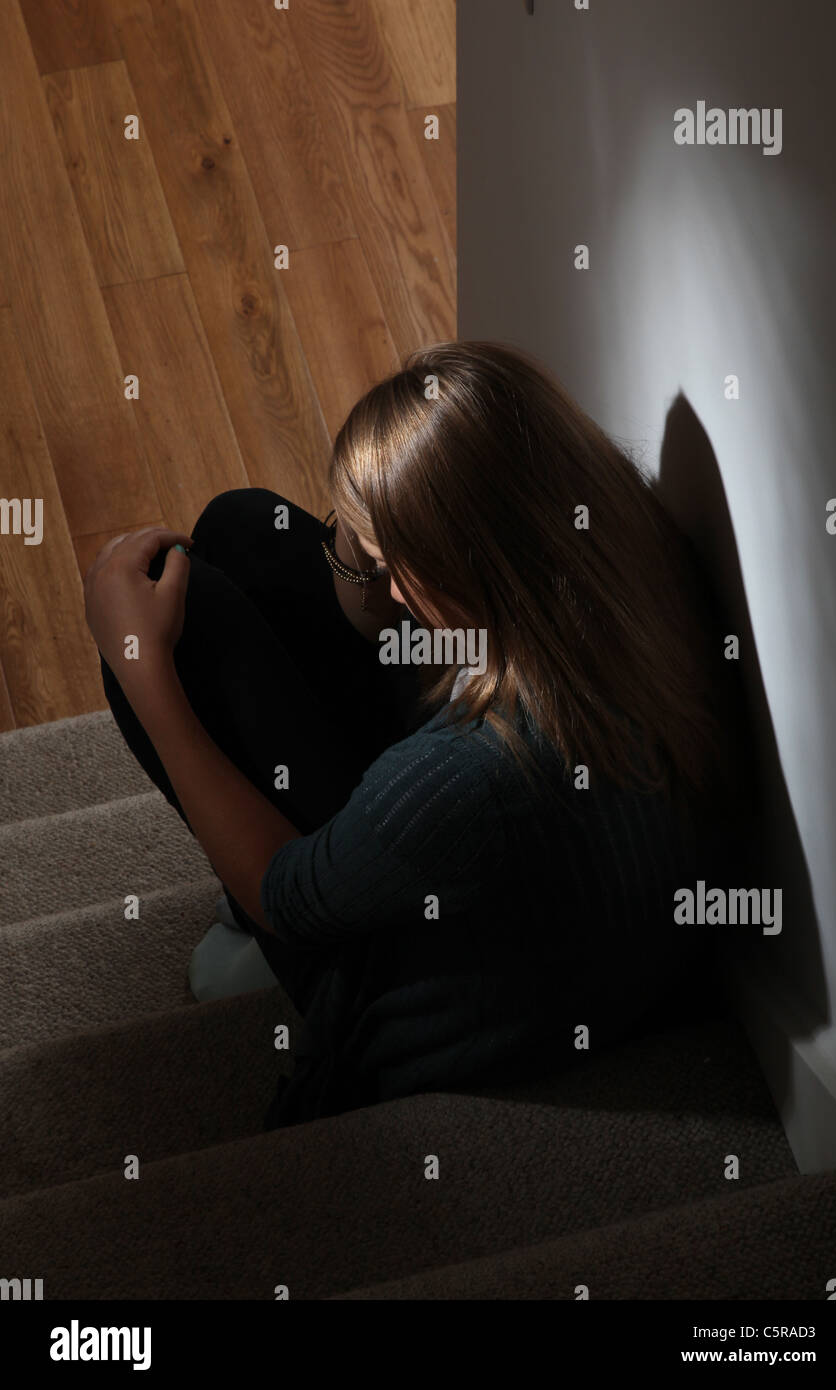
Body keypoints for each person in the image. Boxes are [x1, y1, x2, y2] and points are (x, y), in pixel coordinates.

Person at [85, 340, 748, 1130]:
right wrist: (370, 571)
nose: (375, 575)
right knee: (242, 525)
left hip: (413, 1000)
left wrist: (141, 670)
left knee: (184, 644)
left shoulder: (465, 774)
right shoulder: (619, 548)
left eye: (388, 560)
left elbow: (286, 894)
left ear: (460, 569)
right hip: (535, 897)